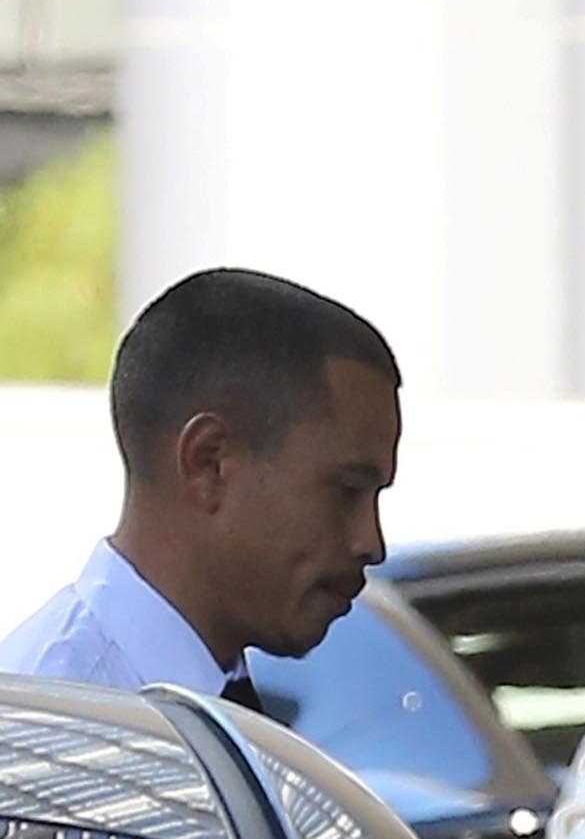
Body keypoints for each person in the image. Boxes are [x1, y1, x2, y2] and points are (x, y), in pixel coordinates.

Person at [0, 266, 400, 706]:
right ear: (209, 462)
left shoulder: (217, 701)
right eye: (346, 491)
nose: (372, 543)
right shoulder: (53, 728)